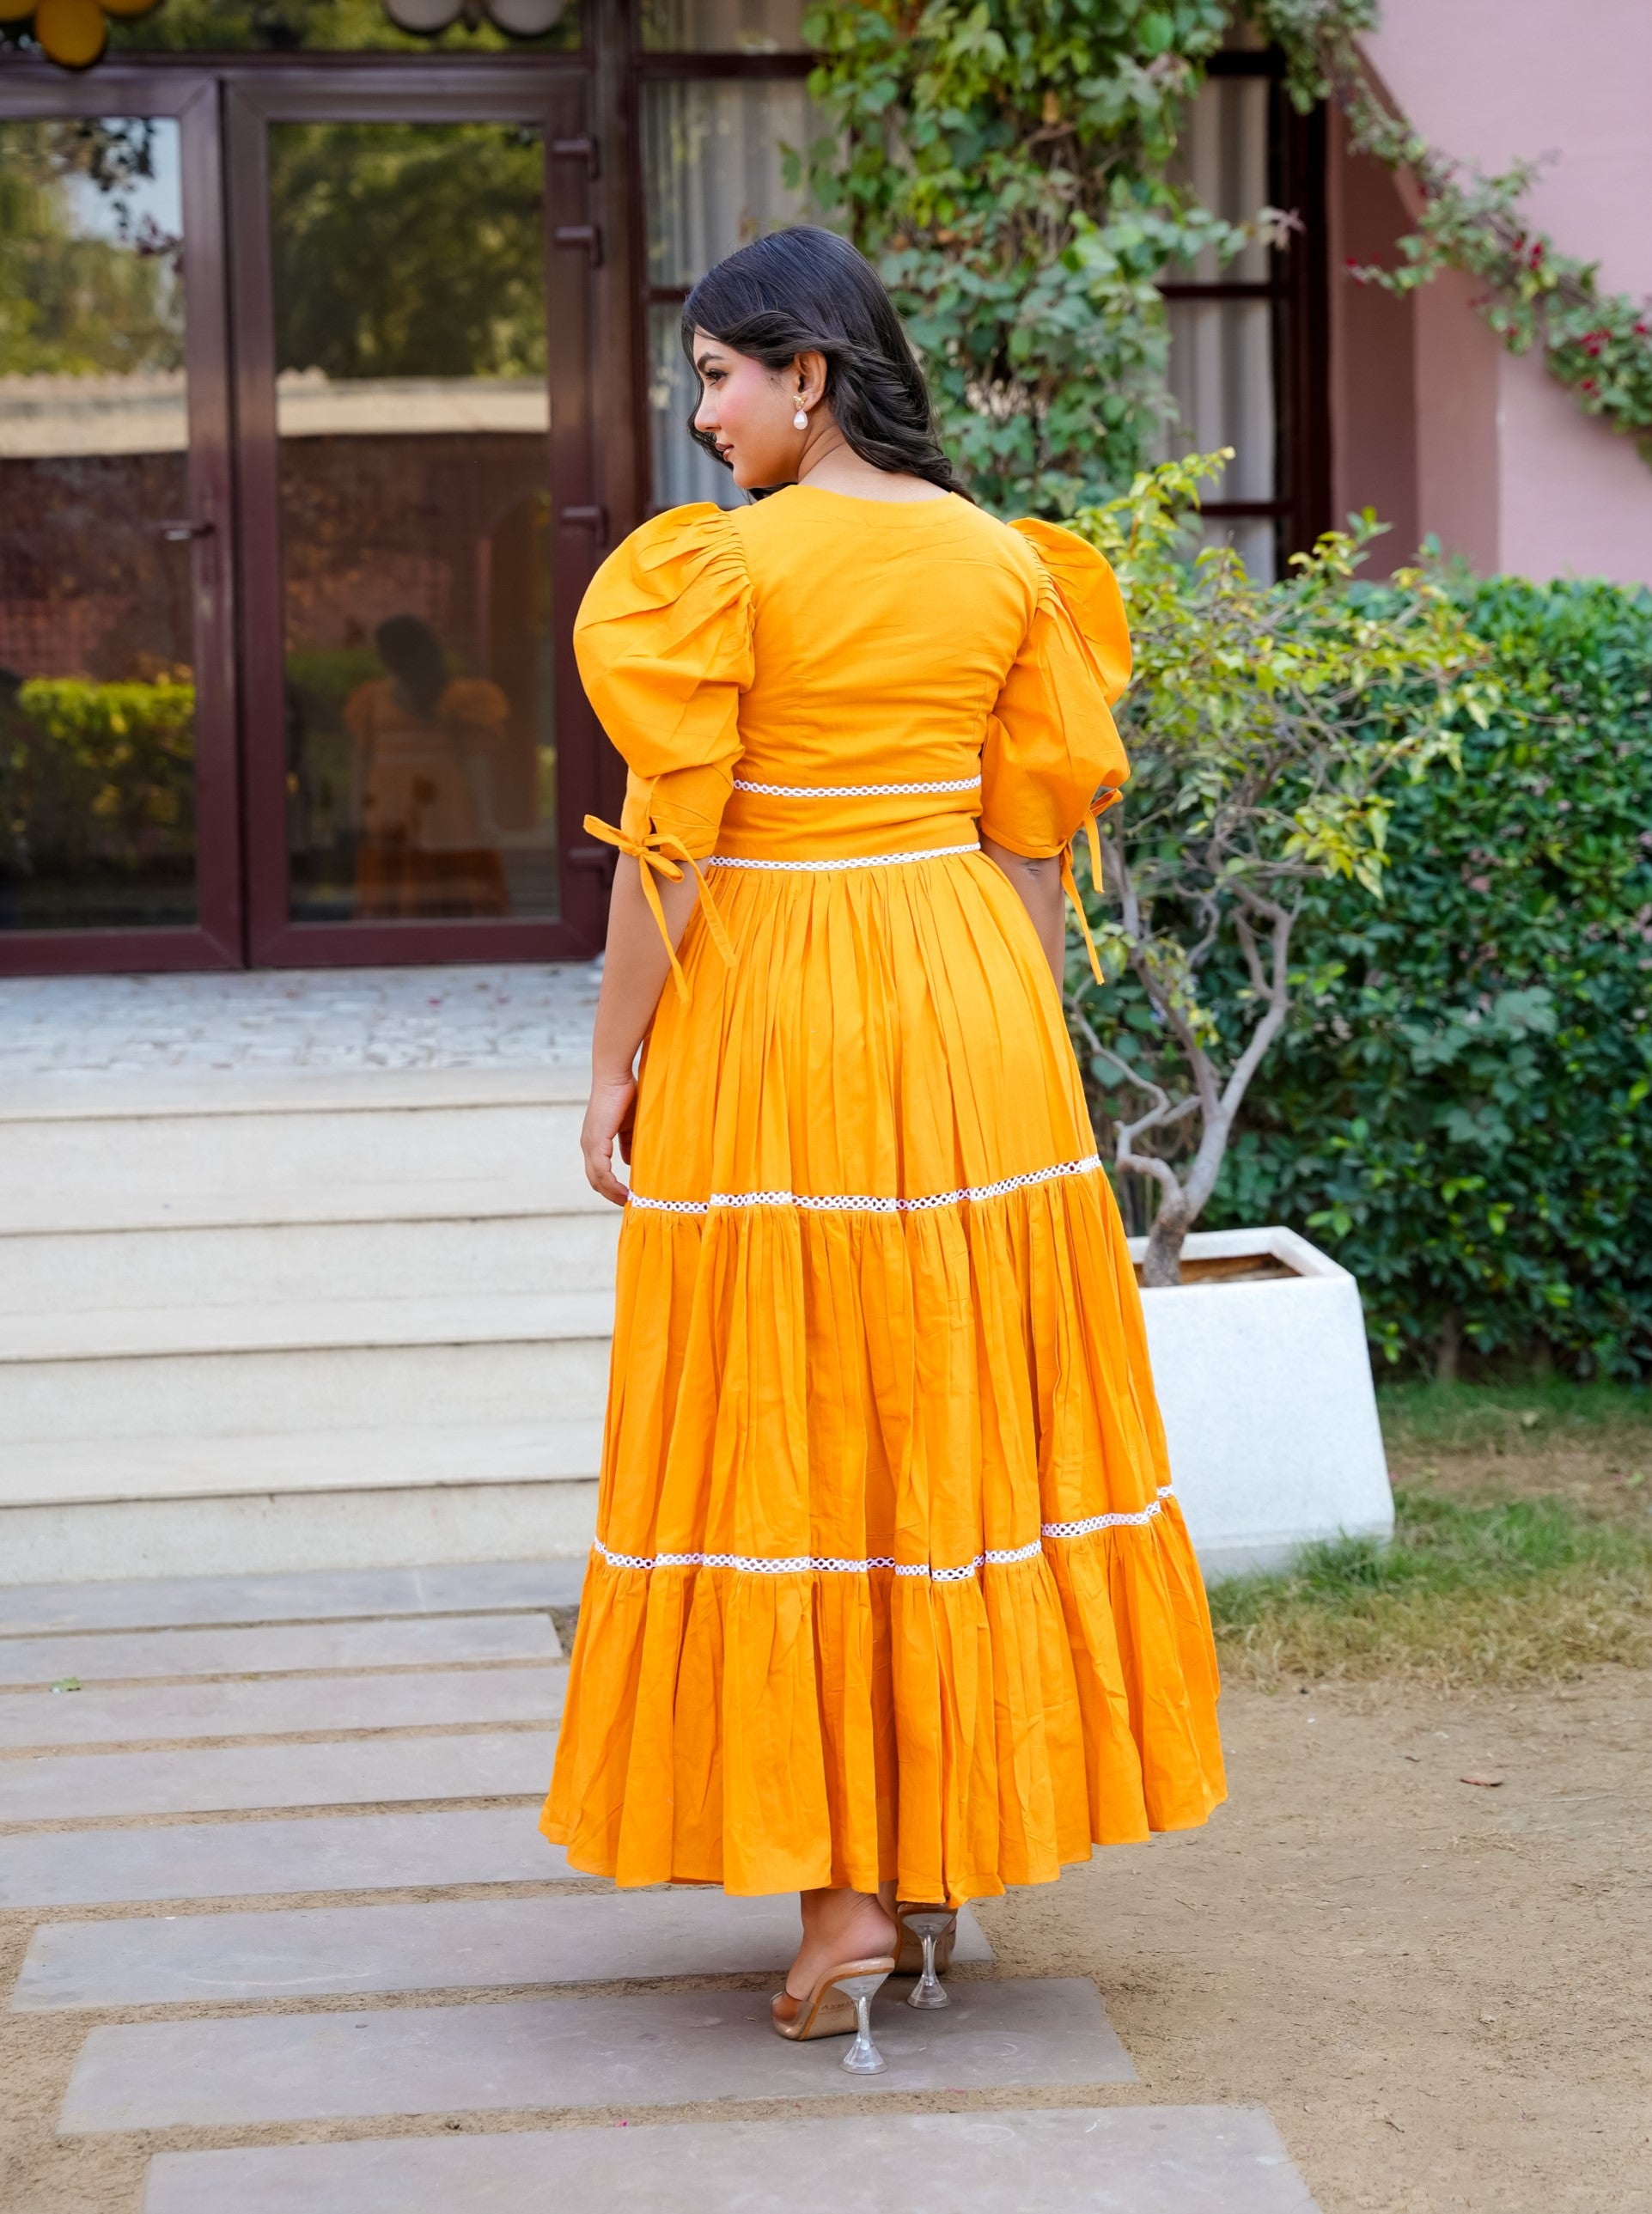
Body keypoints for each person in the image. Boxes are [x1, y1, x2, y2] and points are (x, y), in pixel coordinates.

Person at [540, 226, 1224, 2071]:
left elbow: (663, 849)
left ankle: (839, 1887)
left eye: (718, 377)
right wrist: (1021, 1058)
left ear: (807, 376)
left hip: (774, 994)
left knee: (787, 1416)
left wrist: (610, 1063)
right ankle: (920, 1844)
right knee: (944, 1411)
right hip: (963, 1006)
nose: (701, 418)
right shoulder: (1016, 566)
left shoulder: (711, 576)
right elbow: (1029, 851)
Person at [344, 614, 512, 919]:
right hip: (391, 804)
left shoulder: (460, 696)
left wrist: (485, 818)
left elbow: (476, 761)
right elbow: (361, 760)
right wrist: (355, 812)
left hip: (441, 802)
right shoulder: (371, 697)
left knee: (447, 872)